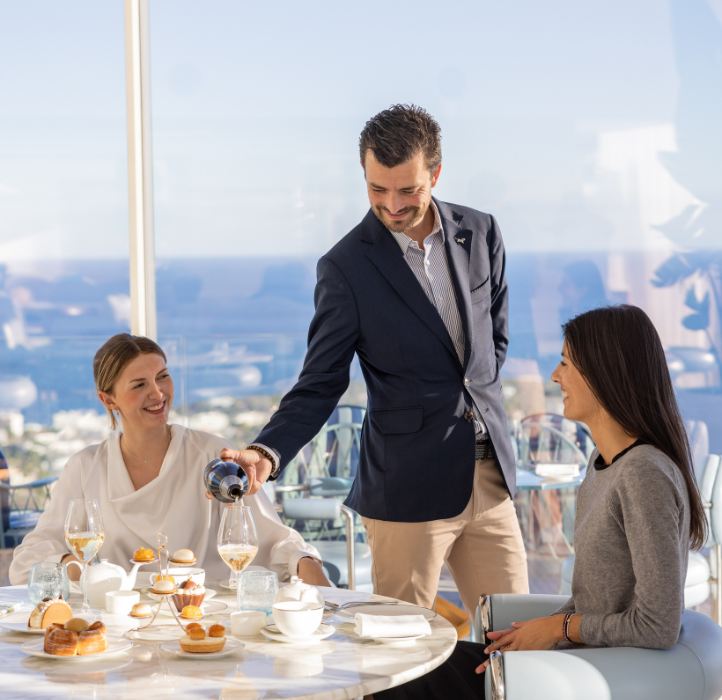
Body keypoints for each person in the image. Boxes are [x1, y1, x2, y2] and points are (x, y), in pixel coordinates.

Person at [219, 104, 528, 615]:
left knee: (520, 640)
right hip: (408, 488)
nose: (392, 204)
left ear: (436, 172)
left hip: (489, 479)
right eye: (376, 189)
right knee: (398, 649)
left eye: (408, 190)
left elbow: (492, 342)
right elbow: (320, 382)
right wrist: (267, 451)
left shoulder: (482, 231)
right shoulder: (345, 268)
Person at [373, 304, 707, 699]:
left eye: (565, 363)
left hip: (583, 673)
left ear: (604, 373)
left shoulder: (643, 474)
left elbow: (658, 625)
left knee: (397, 680)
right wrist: (537, 631)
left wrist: (556, 629)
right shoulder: (603, 464)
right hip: (565, 658)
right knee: (398, 667)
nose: (554, 376)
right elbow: (597, 600)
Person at [10, 333, 329, 586]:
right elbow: (27, 561)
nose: (158, 393)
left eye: (162, 377)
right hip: (118, 624)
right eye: (139, 385)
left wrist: (306, 563)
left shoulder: (212, 454)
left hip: (205, 617)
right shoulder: (85, 467)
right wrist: (75, 567)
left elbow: (269, 538)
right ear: (108, 399)